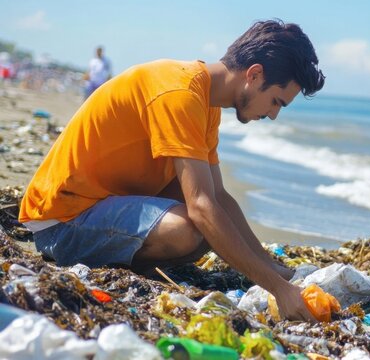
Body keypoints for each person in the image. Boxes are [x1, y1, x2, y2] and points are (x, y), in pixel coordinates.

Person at [19, 20, 325, 321]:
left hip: (100, 203)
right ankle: (119, 261)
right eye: (276, 102)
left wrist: (275, 270)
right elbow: (204, 209)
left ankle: (128, 256)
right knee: (194, 229)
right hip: (62, 221)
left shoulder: (205, 101)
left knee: (209, 207)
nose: (272, 115)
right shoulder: (179, 93)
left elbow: (219, 196)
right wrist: (278, 291)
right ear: (254, 75)